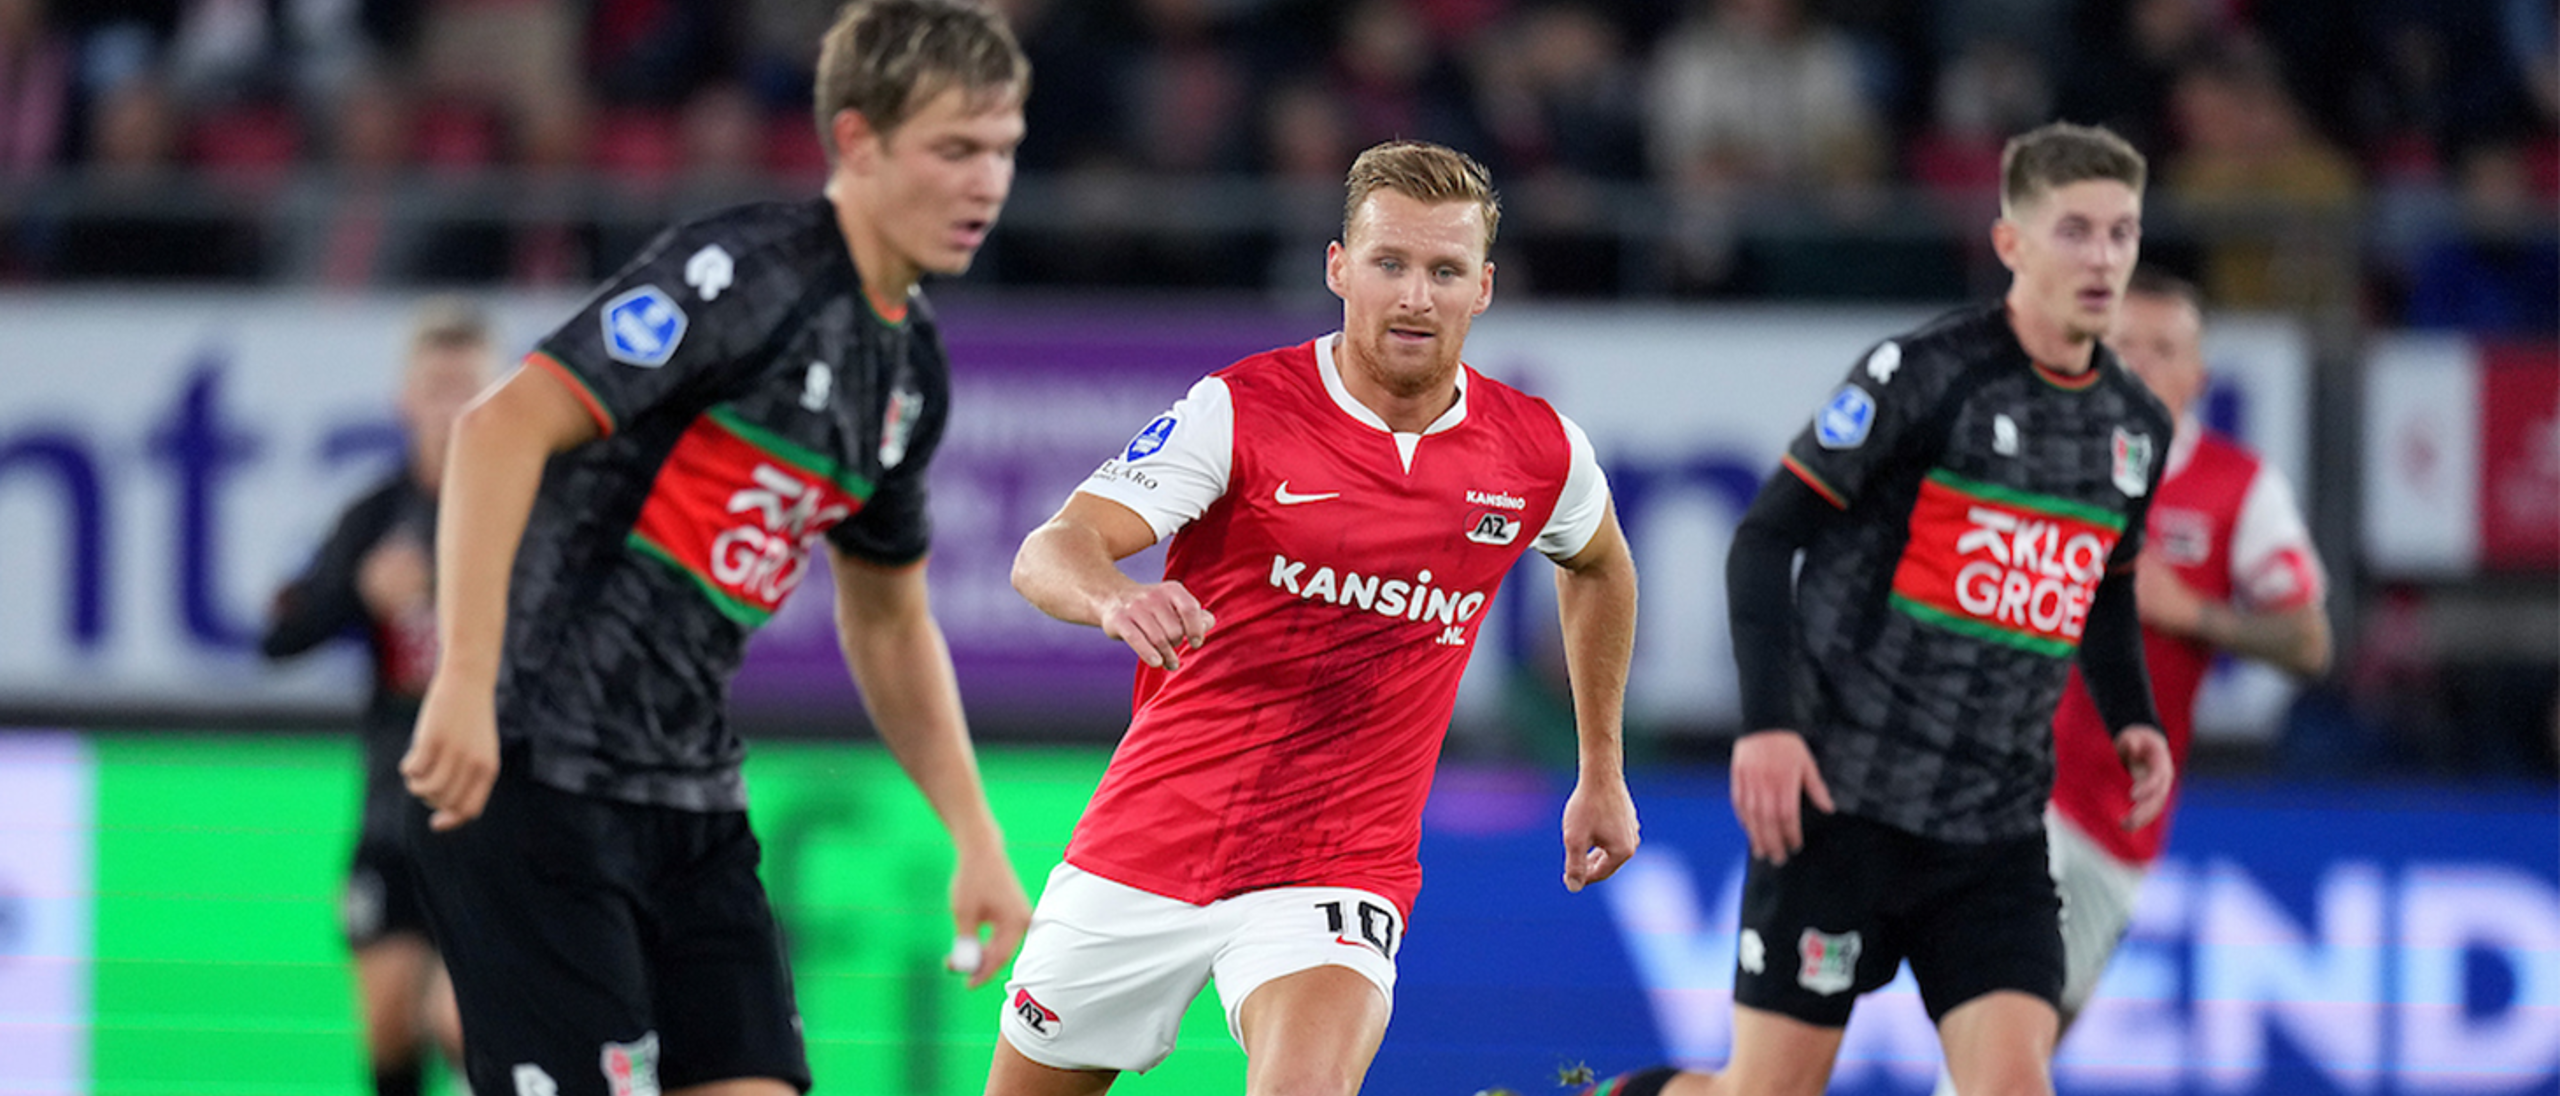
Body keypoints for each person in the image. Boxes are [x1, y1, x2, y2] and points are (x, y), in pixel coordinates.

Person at [396, 3, 1035, 1094]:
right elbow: (497, 429)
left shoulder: (910, 372)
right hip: (535, 775)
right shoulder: (745, 275)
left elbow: (887, 619)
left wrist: (975, 834)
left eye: (1004, 151)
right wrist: (463, 679)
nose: (987, 183)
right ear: (858, 143)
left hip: (692, 800)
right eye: (955, 149)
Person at [989, 139, 1642, 1096]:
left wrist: (1602, 769)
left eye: (1445, 271)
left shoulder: (1537, 450)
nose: (1415, 297)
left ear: (1484, 288)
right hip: (1149, 843)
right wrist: (1116, 596)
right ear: (1339, 268)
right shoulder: (1240, 412)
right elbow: (1050, 549)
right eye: (1390, 263)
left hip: (1337, 869)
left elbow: (1599, 564)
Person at [1584, 121, 2176, 1096]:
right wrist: (1769, 728)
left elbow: (2104, 584)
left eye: (2122, 232)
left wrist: (2132, 716)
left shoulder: (2135, 427)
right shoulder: (1927, 375)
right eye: (2074, 231)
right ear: (2010, 243)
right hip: (1840, 803)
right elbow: (1763, 538)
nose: (2103, 258)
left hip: (1994, 828)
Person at [1977, 267, 2328, 1089]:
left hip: (2119, 822)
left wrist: (2193, 613)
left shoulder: (2238, 488)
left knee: (2023, 1057)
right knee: (1999, 1039)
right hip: (2010, 793)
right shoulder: (2032, 458)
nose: (2140, 364)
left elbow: (2310, 642)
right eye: (2124, 345)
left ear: (2199, 375)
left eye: (2164, 349)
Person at [261, 298, 493, 1096]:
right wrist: (361, 592)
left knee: (463, 1020)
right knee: (390, 1019)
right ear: (405, 400)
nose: (451, 407)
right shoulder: (376, 517)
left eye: (467, 387)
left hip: (491, 810)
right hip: (393, 810)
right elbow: (281, 636)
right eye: (436, 389)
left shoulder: (522, 510)